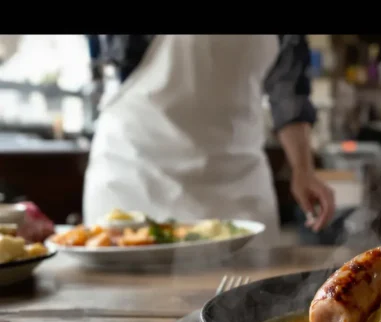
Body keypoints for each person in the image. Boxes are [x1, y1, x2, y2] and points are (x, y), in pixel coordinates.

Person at [82, 35, 335, 245]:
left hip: (238, 186)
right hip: (137, 173)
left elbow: (289, 91)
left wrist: (303, 169)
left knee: (251, 298)